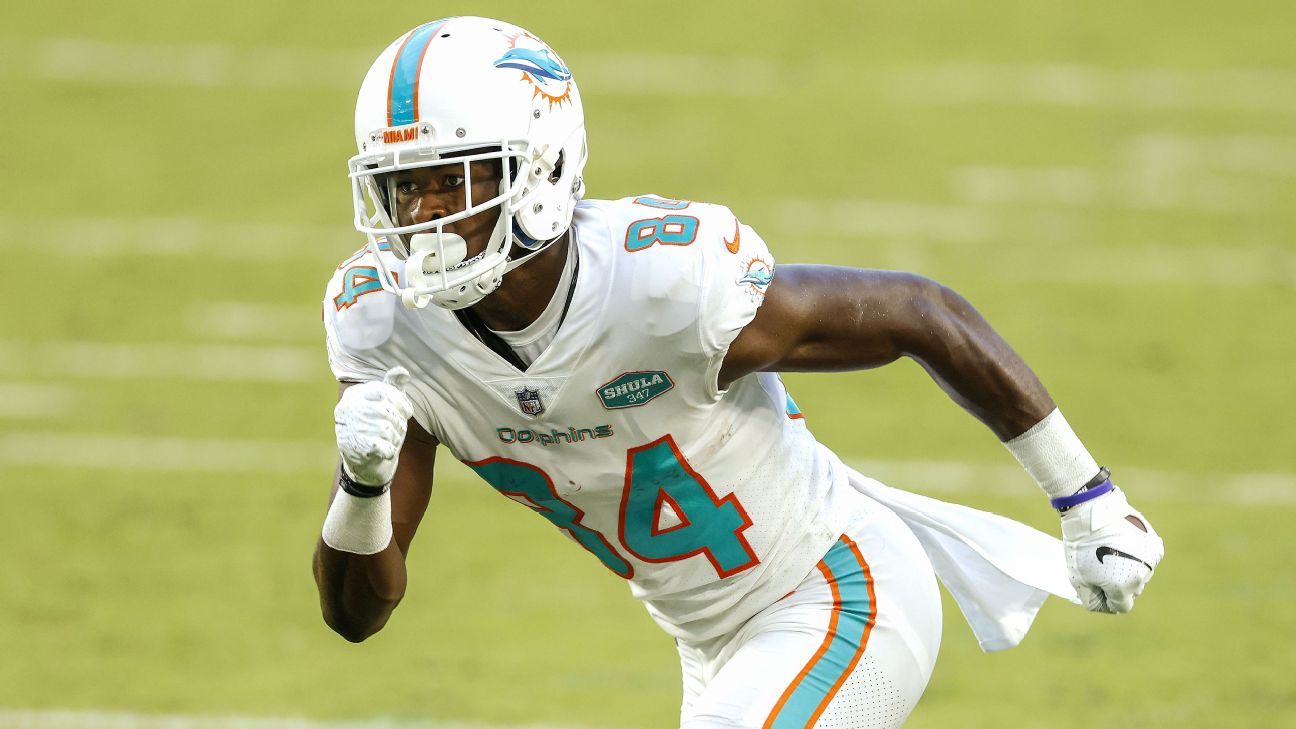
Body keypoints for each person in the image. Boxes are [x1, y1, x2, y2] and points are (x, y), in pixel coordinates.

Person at [313, 16, 1165, 729]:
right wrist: (361, 484)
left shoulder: (660, 283)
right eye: (402, 189)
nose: (424, 216)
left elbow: (919, 311)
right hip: (711, 648)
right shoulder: (389, 327)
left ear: (539, 168)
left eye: (451, 181)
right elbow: (355, 616)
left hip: (838, 592)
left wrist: (1085, 495)